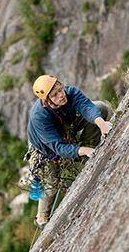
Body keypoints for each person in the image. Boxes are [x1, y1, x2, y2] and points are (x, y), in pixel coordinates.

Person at [26, 74, 112, 226]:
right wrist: (83, 150)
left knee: (100, 108)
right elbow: (58, 148)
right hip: (46, 147)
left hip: (66, 126)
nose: (61, 95)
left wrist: (101, 124)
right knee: (51, 183)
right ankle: (41, 217)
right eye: (55, 95)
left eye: (61, 90)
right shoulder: (39, 117)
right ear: (47, 101)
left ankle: (89, 152)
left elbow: (87, 107)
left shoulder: (70, 93)